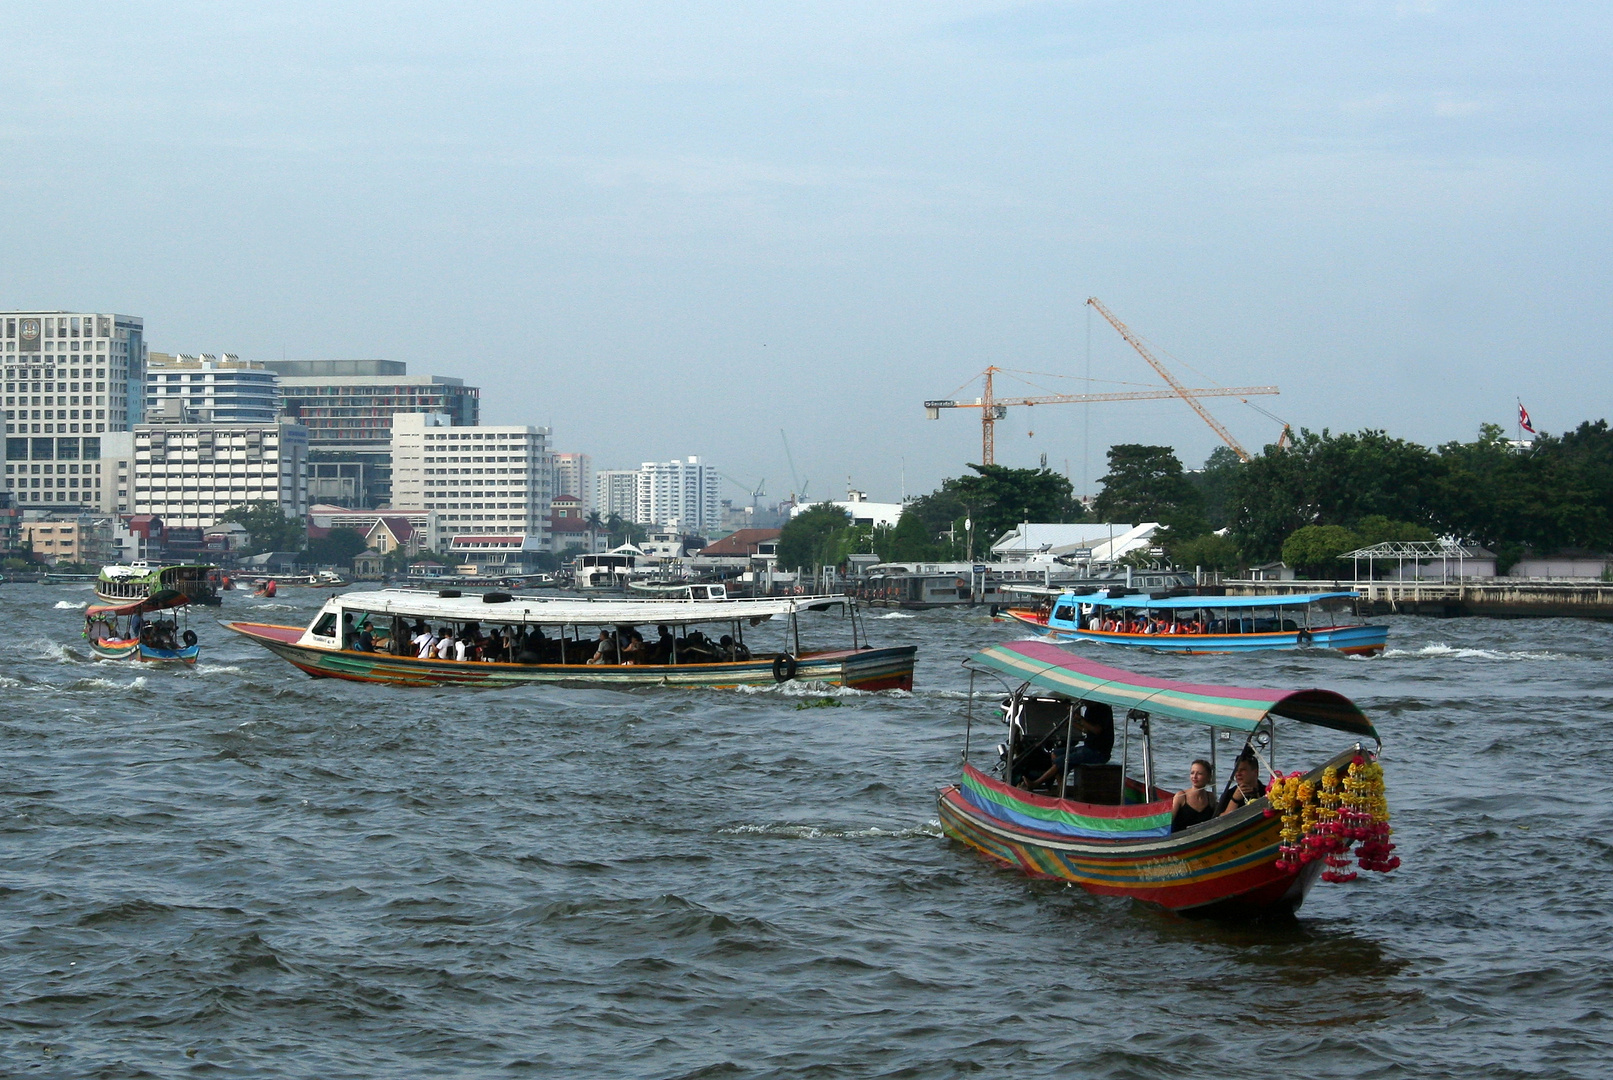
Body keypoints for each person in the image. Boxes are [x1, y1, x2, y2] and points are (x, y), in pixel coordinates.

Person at [1020, 702, 1115, 791]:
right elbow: (1086, 730)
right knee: (1055, 754)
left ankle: (1036, 783)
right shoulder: (1089, 710)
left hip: (1099, 752)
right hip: (1088, 748)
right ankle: (1061, 787)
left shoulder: (1104, 710)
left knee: (1062, 760)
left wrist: (1080, 718)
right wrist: (1071, 723)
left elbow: (1096, 730)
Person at [1171, 759, 1216, 832]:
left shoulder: (1210, 797)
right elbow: (1168, 822)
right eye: (1192, 773)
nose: (1194, 776)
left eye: (1199, 774)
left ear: (1208, 777)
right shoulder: (1181, 796)